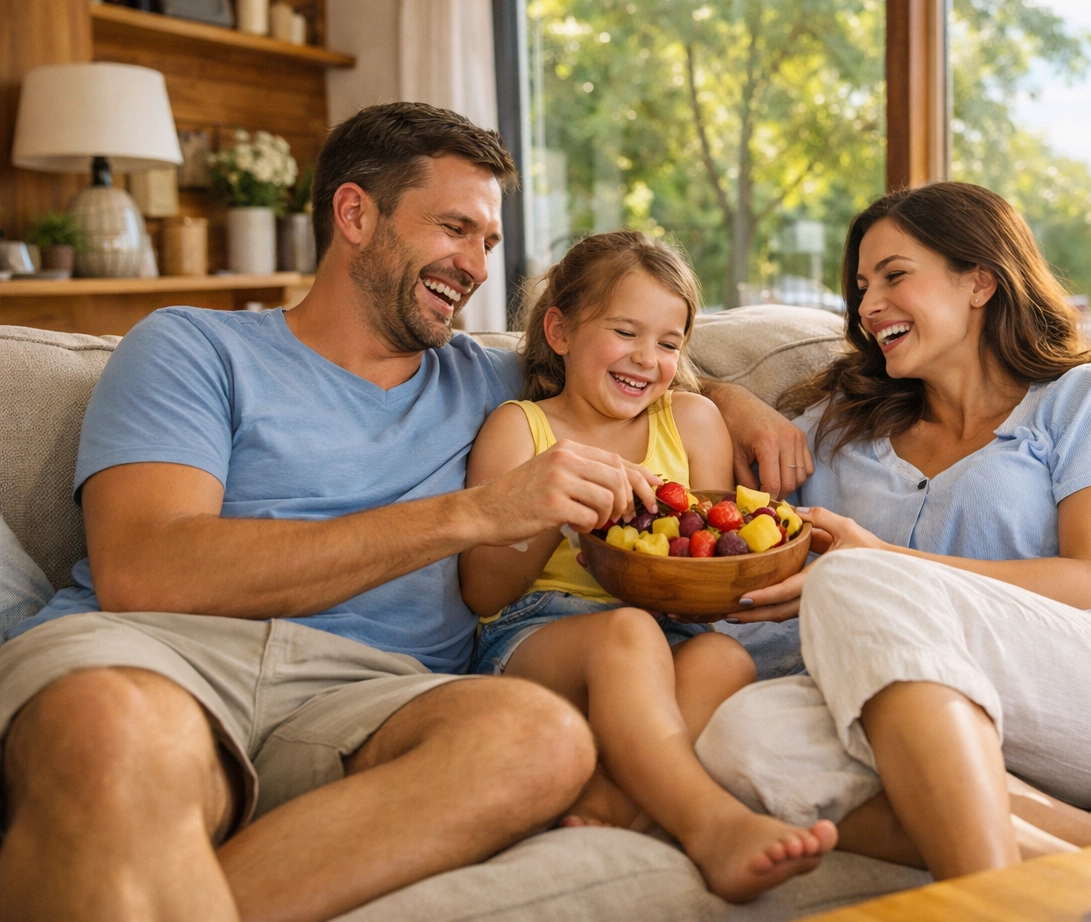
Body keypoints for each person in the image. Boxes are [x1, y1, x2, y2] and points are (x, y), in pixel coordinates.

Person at [0, 103, 814, 922]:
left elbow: (635, 373)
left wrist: (738, 403)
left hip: (376, 695)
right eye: (455, 228)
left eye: (488, 243)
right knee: (112, 733)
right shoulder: (193, 347)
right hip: (167, 655)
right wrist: (472, 514)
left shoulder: (490, 379)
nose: (475, 266)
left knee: (540, 740)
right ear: (354, 214)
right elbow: (147, 569)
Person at [695, 181, 1091, 879]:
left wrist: (881, 561)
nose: (867, 307)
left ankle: (988, 903)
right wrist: (728, 399)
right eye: (862, 286)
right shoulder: (840, 433)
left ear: (980, 280)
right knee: (739, 737)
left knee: (854, 577)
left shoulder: (1083, 397)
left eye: (895, 276)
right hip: (946, 713)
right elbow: (662, 385)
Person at [460, 230, 837, 902]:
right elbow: (482, 592)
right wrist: (557, 511)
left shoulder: (690, 421)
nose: (647, 358)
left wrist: (768, 547)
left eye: (669, 343)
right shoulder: (520, 428)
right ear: (560, 330)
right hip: (538, 634)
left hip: (670, 630)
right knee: (628, 633)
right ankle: (712, 825)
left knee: (728, 661)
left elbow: (710, 573)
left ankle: (612, 802)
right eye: (625, 331)